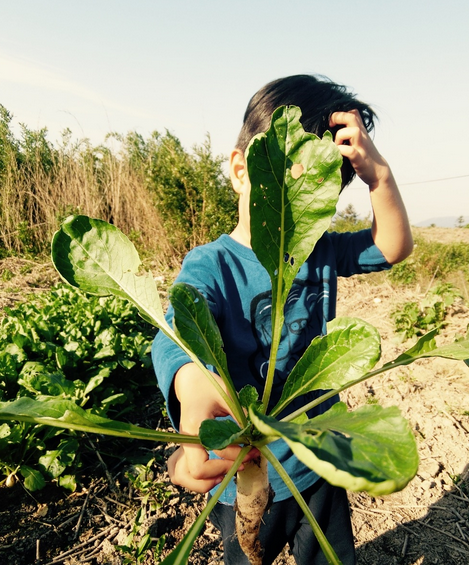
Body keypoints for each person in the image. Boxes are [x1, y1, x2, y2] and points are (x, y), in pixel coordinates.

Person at [151, 74, 413, 565]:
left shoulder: (319, 250)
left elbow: (393, 247)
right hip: (245, 469)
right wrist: (190, 380)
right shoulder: (212, 264)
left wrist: (379, 176)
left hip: (317, 458)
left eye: (315, 195)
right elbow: (176, 327)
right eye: (280, 187)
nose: (292, 212)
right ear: (239, 170)